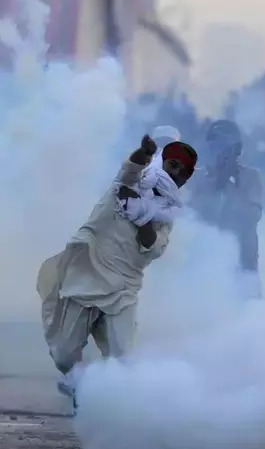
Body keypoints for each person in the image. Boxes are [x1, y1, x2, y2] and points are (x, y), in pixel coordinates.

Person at [37, 135, 198, 408]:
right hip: (86, 278)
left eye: (184, 171)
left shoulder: (167, 217)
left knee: (124, 362)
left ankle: (112, 413)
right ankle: (81, 387)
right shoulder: (128, 183)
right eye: (173, 165)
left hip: (122, 291)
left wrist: (140, 213)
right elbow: (131, 169)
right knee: (64, 355)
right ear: (161, 163)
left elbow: (151, 246)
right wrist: (142, 153)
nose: (177, 174)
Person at [187, 119, 265, 297]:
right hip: (204, 264)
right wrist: (213, 183)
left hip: (243, 262)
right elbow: (189, 216)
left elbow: (253, 214)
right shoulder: (196, 177)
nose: (220, 150)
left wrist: (229, 184)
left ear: (237, 149)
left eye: (226, 145)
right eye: (215, 144)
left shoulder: (251, 177)